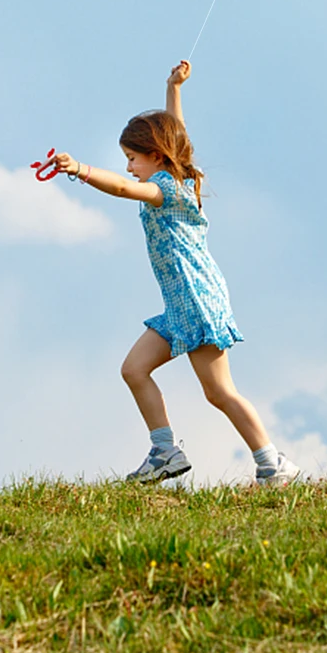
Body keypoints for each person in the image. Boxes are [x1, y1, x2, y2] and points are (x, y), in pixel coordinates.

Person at [53, 60, 300, 487]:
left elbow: (125, 188)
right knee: (133, 369)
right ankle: (164, 451)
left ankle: (273, 465)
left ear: (155, 155)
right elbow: (177, 133)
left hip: (198, 302)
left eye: (132, 158)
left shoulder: (166, 189)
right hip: (179, 305)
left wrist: (81, 170)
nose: (130, 167)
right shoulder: (177, 175)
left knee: (219, 392)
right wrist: (174, 89)